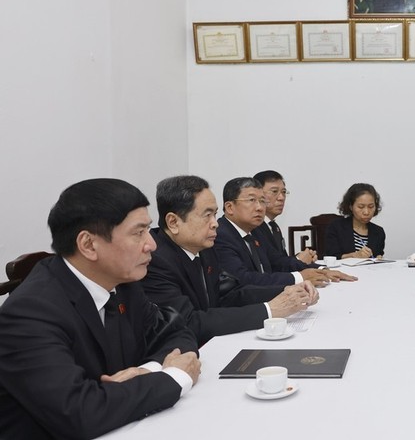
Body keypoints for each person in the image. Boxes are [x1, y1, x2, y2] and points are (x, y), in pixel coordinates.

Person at [0, 179, 201, 439]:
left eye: (149, 230)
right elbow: (79, 412)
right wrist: (174, 376)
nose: (152, 244)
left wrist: (149, 370)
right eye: (138, 232)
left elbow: (177, 331)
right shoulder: (29, 314)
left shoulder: (123, 283)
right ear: (88, 244)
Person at [143, 175, 320, 346]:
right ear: (173, 222)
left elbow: (230, 293)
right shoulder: (155, 260)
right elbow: (188, 322)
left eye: (215, 214)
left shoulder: (203, 248)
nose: (215, 223)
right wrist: (270, 310)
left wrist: (289, 290)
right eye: (207, 215)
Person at [214, 177, 333, 287]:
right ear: (230, 207)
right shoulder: (220, 235)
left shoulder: (254, 231)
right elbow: (243, 279)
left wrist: (320, 270)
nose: (260, 208)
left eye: (262, 201)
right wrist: (300, 277)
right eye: (251, 200)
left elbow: (278, 262)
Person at [325, 183, 385, 259]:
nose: (366, 212)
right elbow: (331, 256)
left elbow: (378, 254)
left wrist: (379, 258)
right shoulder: (336, 227)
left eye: (371, 206)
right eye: (361, 207)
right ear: (350, 206)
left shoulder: (379, 232)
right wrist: (354, 255)